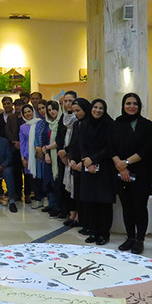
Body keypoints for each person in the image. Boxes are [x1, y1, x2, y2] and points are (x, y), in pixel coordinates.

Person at [110, 93, 152, 255]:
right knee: (126, 207)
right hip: (121, 172)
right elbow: (110, 147)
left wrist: (126, 163)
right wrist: (120, 166)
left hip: (141, 172)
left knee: (140, 207)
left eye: (135, 103)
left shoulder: (146, 125)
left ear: (139, 106)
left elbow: (146, 149)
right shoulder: (116, 124)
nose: (131, 106)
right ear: (123, 105)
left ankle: (139, 240)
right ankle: (130, 237)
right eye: (128, 103)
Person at [79, 99, 115, 246]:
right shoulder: (85, 124)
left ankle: (104, 233)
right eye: (95, 107)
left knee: (103, 203)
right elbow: (81, 144)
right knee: (90, 201)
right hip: (88, 167)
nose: (97, 110)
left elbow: (110, 147)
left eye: (101, 108)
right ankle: (93, 231)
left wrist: (93, 159)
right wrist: (86, 160)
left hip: (105, 168)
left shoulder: (110, 125)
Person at [68, 98, 92, 232]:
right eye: (74, 111)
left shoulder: (90, 123)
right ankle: (81, 220)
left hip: (86, 164)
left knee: (86, 195)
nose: (76, 114)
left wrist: (82, 163)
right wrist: (71, 159)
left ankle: (87, 222)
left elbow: (89, 146)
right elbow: (73, 143)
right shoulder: (76, 124)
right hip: (75, 164)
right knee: (77, 194)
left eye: (78, 110)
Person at [55, 91, 78, 221]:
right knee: (64, 184)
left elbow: (77, 139)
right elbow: (58, 137)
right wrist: (61, 152)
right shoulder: (63, 117)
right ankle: (69, 211)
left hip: (74, 156)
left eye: (71, 101)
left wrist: (67, 152)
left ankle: (76, 214)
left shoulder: (78, 117)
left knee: (74, 185)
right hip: (63, 156)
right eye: (66, 101)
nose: (68, 104)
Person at [40, 100, 62, 218]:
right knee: (49, 180)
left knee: (57, 181)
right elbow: (44, 140)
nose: (52, 112)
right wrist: (46, 153)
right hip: (49, 156)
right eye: (49, 110)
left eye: (54, 109)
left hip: (59, 156)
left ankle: (59, 206)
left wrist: (47, 148)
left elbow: (60, 141)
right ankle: (52, 204)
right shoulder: (47, 124)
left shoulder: (61, 123)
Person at [19, 104, 42, 208]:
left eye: (29, 111)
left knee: (40, 176)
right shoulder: (22, 127)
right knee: (30, 178)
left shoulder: (40, 123)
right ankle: (35, 197)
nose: (27, 114)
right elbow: (22, 143)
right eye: (25, 112)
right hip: (28, 154)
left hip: (39, 153)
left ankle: (43, 197)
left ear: (33, 111)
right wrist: (23, 157)